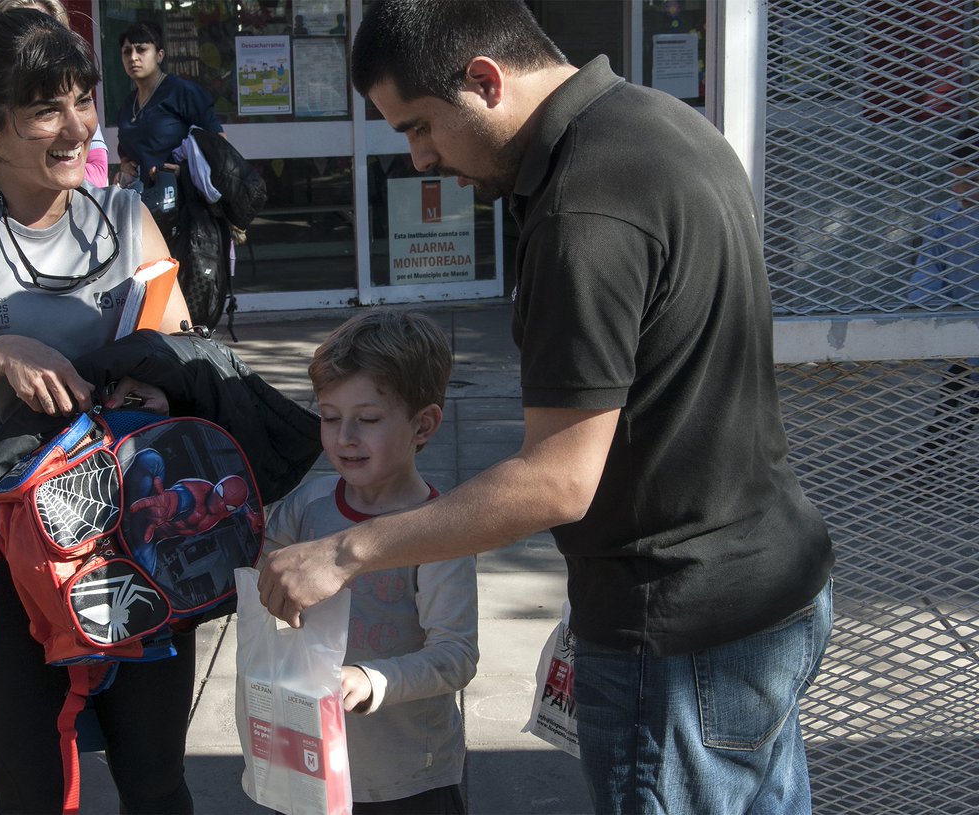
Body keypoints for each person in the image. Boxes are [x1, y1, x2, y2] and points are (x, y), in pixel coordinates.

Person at [257, 2, 835, 813]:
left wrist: (346, 553)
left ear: (485, 81)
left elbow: (557, 479)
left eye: (420, 126)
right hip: (770, 592)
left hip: (679, 631)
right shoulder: (662, 125)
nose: (421, 160)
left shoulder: (581, 208)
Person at [0, 9, 196, 812]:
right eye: (49, 108)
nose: (77, 126)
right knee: (37, 794)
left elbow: (184, 354)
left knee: (157, 786)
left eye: (84, 100)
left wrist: (156, 382)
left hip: (133, 543)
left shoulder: (124, 217)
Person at [265, 309, 478, 814]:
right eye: (330, 417)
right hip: (310, 761)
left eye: (369, 419)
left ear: (422, 425)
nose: (345, 438)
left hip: (410, 775)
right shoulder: (307, 505)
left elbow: (455, 656)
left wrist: (371, 679)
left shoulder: (439, 531)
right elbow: (261, 569)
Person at [909, 129, 979, 464]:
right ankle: (931, 465)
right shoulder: (947, 216)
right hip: (962, 324)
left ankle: (931, 465)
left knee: (956, 400)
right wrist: (925, 312)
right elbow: (930, 267)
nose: (960, 189)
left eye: (968, 181)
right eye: (957, 180)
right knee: (953, 397)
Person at [0, 0, 110, 187]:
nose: (77, 130)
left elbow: (99, 175)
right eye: (46, 111)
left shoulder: (125, 211)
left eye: (83, 101)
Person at [115, 20, 223, 190]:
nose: (133, 57)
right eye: (127, 51)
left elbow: (219, 144)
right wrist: (124, 165)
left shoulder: (182, 92)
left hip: (186, 199)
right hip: (143, 202)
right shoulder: (128, 104)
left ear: (160, 55)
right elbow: (125, 149)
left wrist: (184, 171)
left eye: (141, 49)